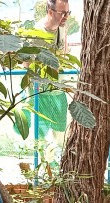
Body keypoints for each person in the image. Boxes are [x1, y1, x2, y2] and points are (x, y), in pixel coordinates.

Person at [35, 0, 71, 144]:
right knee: (40, 137)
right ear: (50, 12)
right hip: (40, 93)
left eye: (68, 13)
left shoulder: (62, 28)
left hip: (58, 90)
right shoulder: (37, 32)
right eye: (62, 13)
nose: (66, 17)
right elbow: (26, 64)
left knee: (60, 135)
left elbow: (64, 53)